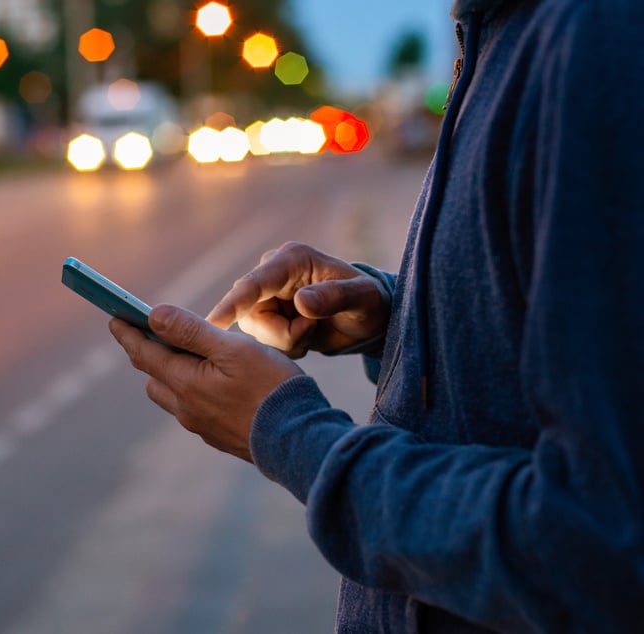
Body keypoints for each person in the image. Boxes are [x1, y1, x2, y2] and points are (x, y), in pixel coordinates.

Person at [109, 0, 644, 631]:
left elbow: (598, 547)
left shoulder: (595, 36)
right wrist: (400, 318)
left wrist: (288, 433)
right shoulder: (500, 31)